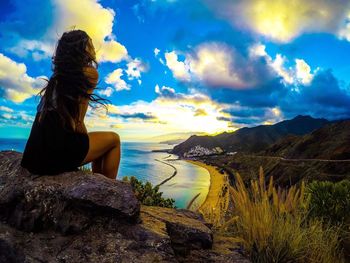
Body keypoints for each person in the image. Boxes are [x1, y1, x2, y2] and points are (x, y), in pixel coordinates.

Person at [21, 30, 120, 180]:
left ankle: (99, 188)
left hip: (34, 155)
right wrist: (85, 146)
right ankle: (109, 193)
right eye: (91, 44)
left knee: (98, 146)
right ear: (84, 49)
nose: (94, 48)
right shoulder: (89, 73)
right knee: (113, 140)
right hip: (56, 151)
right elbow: (78, 121)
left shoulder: (55, 79)